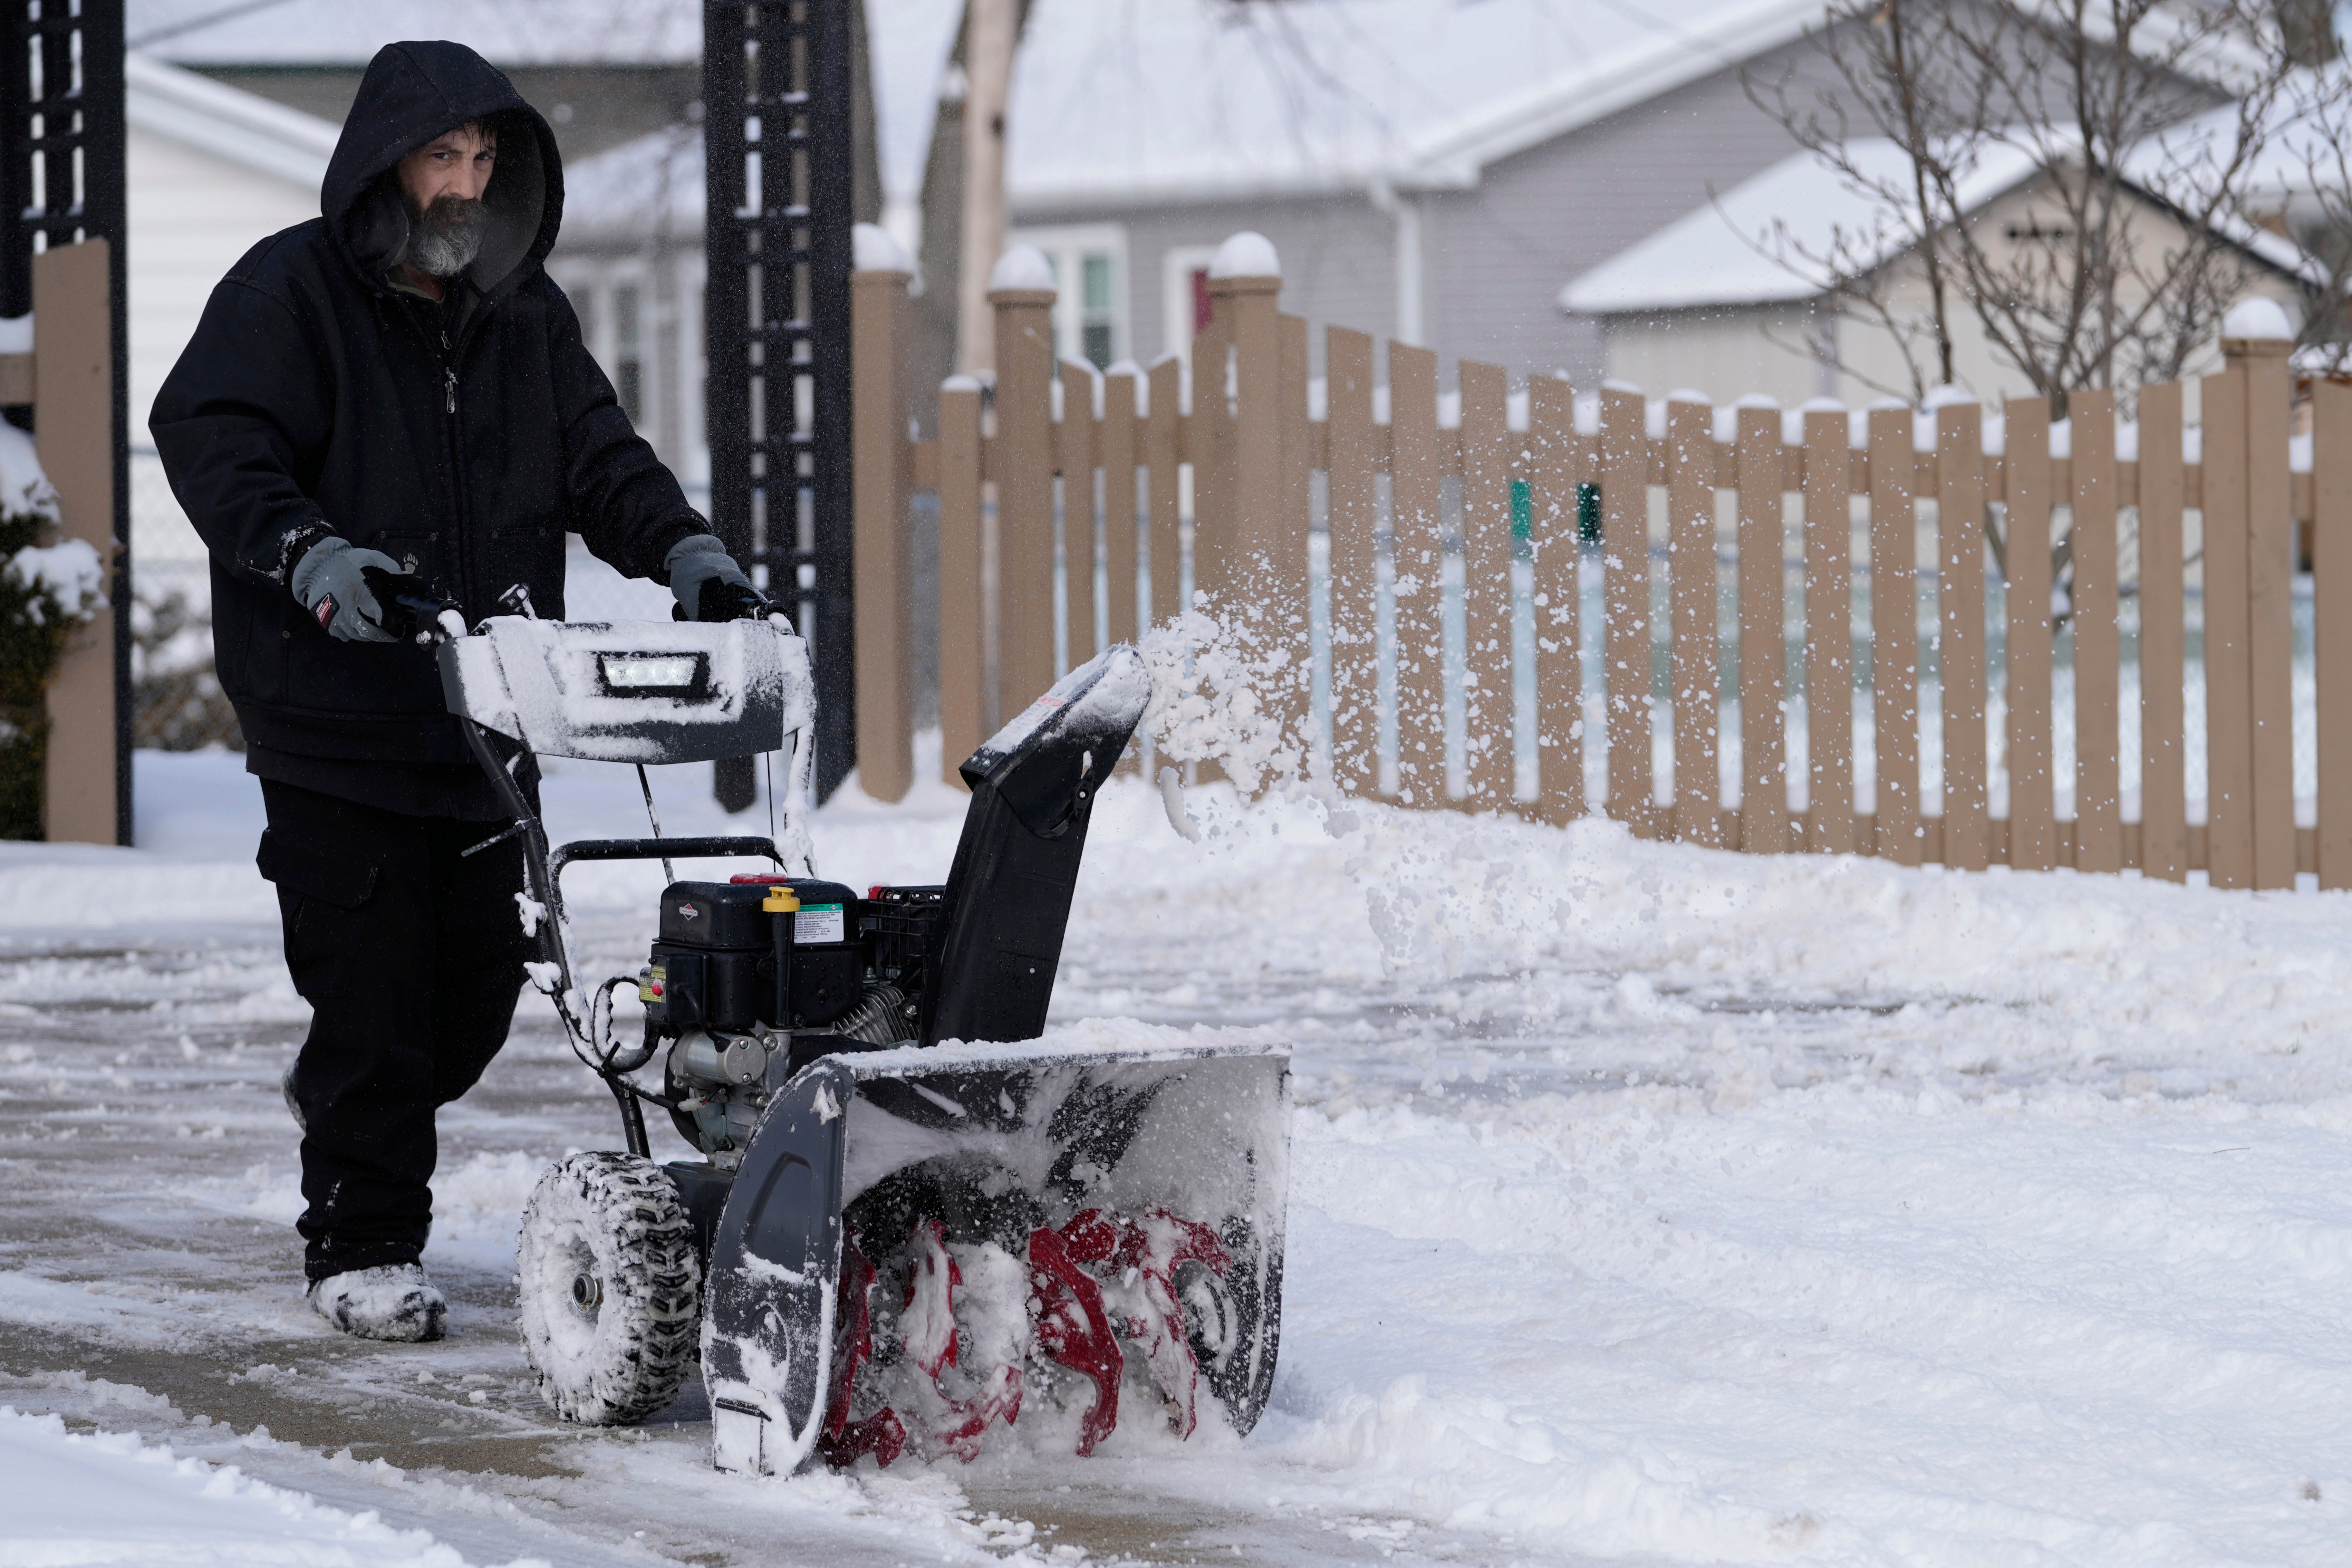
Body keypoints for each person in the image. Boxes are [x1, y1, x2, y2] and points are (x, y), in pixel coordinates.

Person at [151, 40, 766, 1343]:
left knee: (472, 997)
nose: (467, 183)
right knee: (372, 993)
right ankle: (363, 1244)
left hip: (487, 714)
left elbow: (602, 458)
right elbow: (210, 433)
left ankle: (347, 1102)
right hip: (331, 717)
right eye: (445, 156)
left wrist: (688, 554)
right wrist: (305, 551)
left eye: (487, 159)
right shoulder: (290, 292)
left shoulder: (522, 313)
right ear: (385, 164)